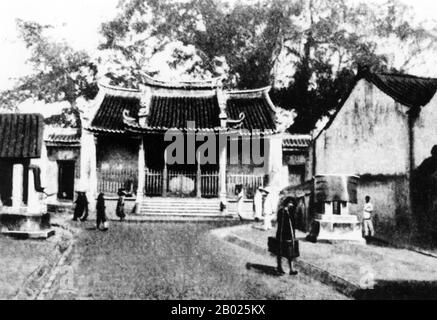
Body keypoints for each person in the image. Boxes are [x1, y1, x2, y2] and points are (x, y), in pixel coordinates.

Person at [276, 198, 298, 275]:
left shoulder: (292, 212)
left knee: (290, 252)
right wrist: (285, 212)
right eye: (289, 203)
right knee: (280, 251)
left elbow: (294, 223)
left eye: (292, 203)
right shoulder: (281, 211)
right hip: (282, 234)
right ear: (286, 204)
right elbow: (280, 222)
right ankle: (279, 267)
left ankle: (291, 269)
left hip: (290, 235)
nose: (291, 205)